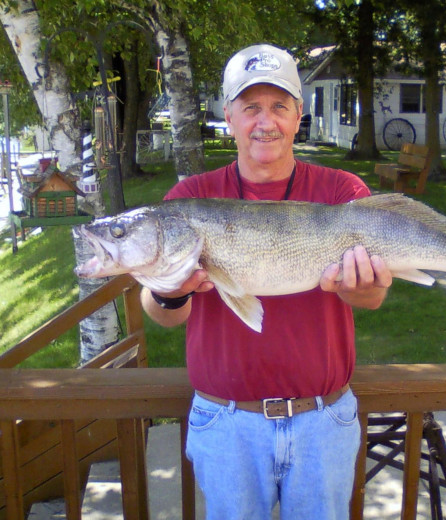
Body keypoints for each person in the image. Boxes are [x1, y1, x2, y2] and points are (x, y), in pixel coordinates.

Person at [141, 43, 392, 519]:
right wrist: (169, 294)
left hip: (324, 420)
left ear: (298, 116)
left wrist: (365, 284)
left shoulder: (342, 193)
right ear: (230, 116)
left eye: (279, 107)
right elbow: (160, 313)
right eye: (250, 107)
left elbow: (373, 297)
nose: (265, 121)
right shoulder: (192, 198)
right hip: (225, 422)